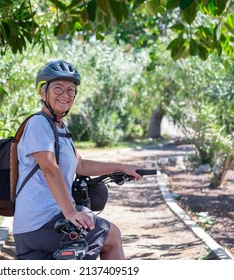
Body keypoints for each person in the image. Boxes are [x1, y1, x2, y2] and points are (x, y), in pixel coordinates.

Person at [13, 60, 142, 260]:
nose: (65, 95)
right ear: (42, 92)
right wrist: (71, 212)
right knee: (112, 235)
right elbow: (49, 169)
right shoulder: (38, 124)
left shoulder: (60, 129)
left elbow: (81, 165)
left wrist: (122, 166)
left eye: (71, 90)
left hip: (46, 220)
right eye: (58, 88)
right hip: (41, 220)